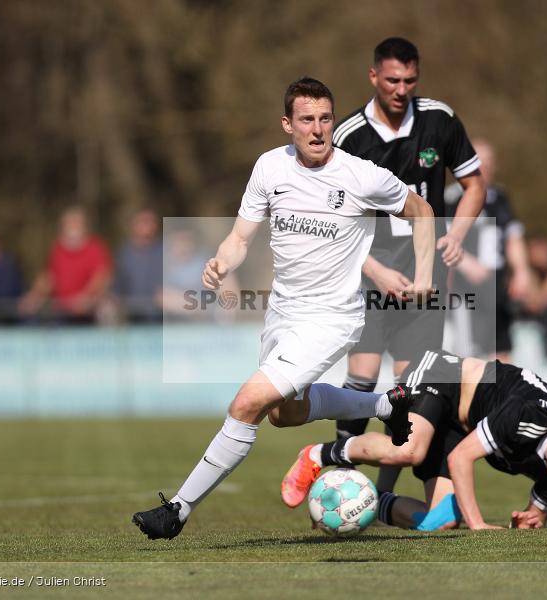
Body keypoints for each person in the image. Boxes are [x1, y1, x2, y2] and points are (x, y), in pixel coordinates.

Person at [130, 77, 436, 541]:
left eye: (326, 119)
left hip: (332, 318)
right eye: (307, 120)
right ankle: (383, 404)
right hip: (283, 314)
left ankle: (178, 509)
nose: (317, 130)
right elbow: (239, 239)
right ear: (287, 124)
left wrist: (427, 275)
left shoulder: (360, 175)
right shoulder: (270, 168)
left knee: (247, 403)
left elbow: (423, 211)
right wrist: (220, 262)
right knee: (284, 415)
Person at [331, 38, 485, 488]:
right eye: (393, 80)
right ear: (374, 76)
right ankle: (339, 475)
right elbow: (334, 222)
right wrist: (375, 271)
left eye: (410, 80)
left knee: (410, 389)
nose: (402, 89)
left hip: (425, 280)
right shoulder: (348, 137)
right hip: (368, 276)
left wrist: (455, 234)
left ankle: (378, 497)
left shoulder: (439, 119)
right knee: (360, 379)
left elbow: (474, 185)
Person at [282, 349, 547, 530]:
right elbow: (461, 459)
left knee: (441, 521)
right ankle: (318, 454)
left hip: (459, 424)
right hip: (442, 376)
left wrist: (527, 521)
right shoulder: (525, 416)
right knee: (410, 451)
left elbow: (534, 518)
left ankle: (372, 506)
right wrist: (478, 525)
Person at [446, 139, 531, 361]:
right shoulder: (452, 199)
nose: (486, 166)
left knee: (502, 354)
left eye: (490, 161)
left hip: (497, 288)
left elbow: (513, 237)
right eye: (480, 161)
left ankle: (500, 396)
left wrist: (522, 271)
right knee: (469, 357)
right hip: (466, 291)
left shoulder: (500, 197)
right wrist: (466, 262)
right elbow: (439, 239)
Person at [19, 207, 113, 324]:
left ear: (84, 227)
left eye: (76, 224)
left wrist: (86, 297)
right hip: (62, 310)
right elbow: (49, 278)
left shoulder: (96, 249)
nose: (73, 228)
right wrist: (34, 295)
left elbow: (101, 278)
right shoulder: (57, 250)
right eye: (69, 225)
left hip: (90, 310)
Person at [114, 208, 163, 322]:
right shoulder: (124, 255)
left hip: (159, 315)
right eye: (143, 222)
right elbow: (117, 286)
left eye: (150, 222)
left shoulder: (165, 252)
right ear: (133, 225)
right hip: (131, 316)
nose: (147, 226)